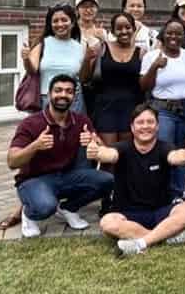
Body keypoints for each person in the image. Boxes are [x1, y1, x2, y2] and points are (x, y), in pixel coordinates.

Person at [7, 74, 113, 237]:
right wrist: (35, 146)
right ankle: (29, 214)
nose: (63, 95)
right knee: (45, 207)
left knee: (107, 180)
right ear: (49, 94)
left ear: (74, 96)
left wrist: (93, 144)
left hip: (66, 176)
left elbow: (103, 149)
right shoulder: (31, 123)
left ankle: (68, 208)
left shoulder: (81, 121)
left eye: (69, 91)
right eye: (58, 90)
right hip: (33, 180)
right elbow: (12, 162)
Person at [91, 103, 185, 256]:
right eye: (140, 122)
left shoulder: (164, 147)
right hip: (127, 214)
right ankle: (166, 237)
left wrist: (184, 157)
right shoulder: (122, 147)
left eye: (150, 122)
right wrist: (98, 152)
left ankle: (141, 242)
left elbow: (174, 157)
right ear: (132, 127)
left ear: (157, 126)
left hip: (160, 212)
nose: (145, 126)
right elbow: (110, 154)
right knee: (107, 223)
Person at [140, 18, 185, 201]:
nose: (174, 36)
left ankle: (178, 192)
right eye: (170, 33)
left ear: (183, 36)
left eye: (178, 33)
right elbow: (143, 86)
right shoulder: (152, 56)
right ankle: (163, 190)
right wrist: (155, 67)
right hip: (163, 108)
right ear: (163, 35)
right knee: (165, 150)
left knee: (183, 150)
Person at [82, 13, 144, 148]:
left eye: (127, 27)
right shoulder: (102, 48)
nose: (124, 31)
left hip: (131, 108)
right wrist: (87, 59)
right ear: (113, 31)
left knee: (127, 154)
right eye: (119, 28)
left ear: (134, 29)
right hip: (105, 108)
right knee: (108, 153)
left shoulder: (141, 52)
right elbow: (84, 78)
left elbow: (145, 83)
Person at [22, 3, 86, 112]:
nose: (60, 24)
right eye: (55, 21)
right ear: (50, 24)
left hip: (73, 102)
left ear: (73, 23)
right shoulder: (42, 43)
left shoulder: (81, 47)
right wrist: (26, 58)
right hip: (45, 100)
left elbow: (84, 77)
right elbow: (32, 69)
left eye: (64, 20)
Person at [75, 0, 107, 118]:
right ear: (77, 9)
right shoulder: (72, 31)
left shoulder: (102, 32)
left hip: (95, 84)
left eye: (92, 6)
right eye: (84, 6)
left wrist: (103, 40)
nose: (88, 10)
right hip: (76, 82)